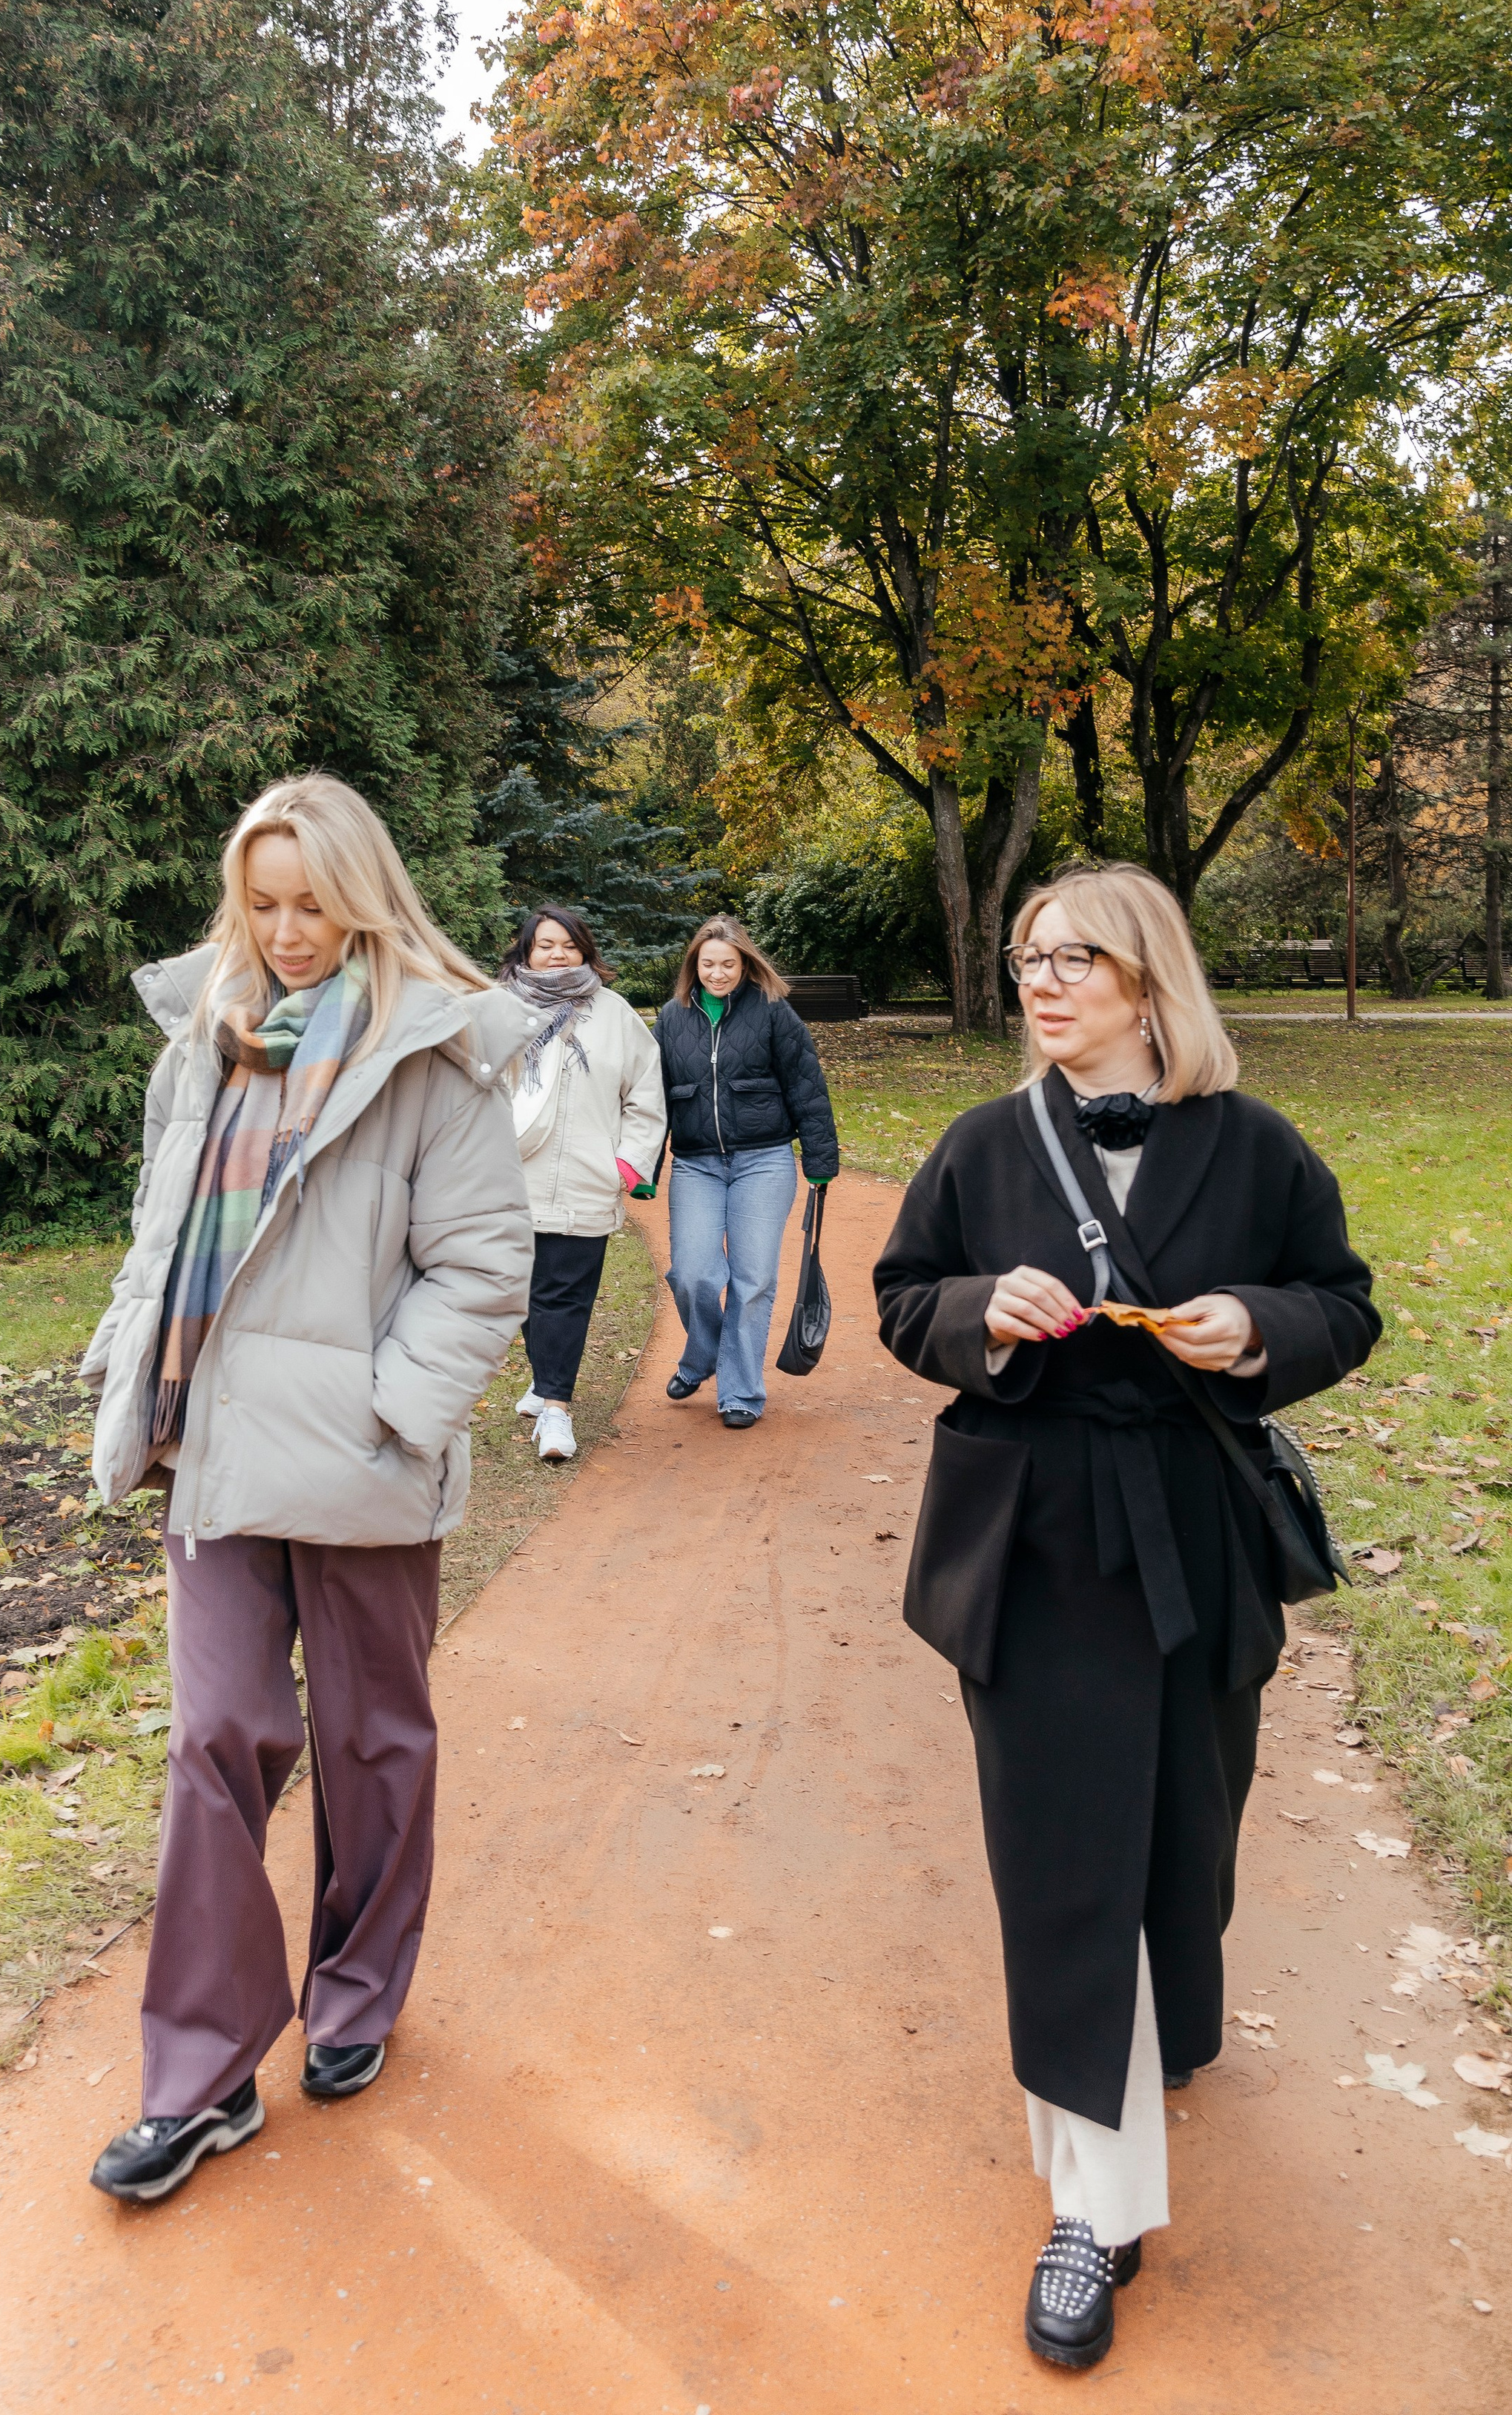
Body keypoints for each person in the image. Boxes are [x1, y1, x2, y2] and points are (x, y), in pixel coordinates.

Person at [872, 861, 1379, 2371]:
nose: (1042, 981)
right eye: (1027, 956)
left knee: (1186, 1841)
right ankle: (1093, 2206)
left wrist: (1254, 1333)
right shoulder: (979, 1144)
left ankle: (1176, 2016)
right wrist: (978, 1317)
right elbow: (905, 1296)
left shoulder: (1255, 1148)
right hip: (1030, 1545)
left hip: (1198, 1542)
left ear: (1147, 980)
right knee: (1063, 1857)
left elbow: (1339, 1302)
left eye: (1075, 958)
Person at [78, 774, 535, 2204]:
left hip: (359, 1457)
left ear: (364, 897)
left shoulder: (434, 1059)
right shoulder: (201, 1043)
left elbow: (480, 1265)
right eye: (263, 902)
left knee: (371, 1737)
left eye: (311, 904)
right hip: (206, 1442)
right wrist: (130, 1372)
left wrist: (391, 1412)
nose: (285, 931)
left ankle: (356, 1994)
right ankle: (202, 2075)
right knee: (218, 1732)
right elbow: (163, 1236)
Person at [655, 915, 839, 1426]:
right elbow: (652, 1101)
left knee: (752, 1279)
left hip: (765, 1161)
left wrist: (821, 1160)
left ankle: (740, 1393)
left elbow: (806, 1084)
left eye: (728, 964)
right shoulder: (672, 1019)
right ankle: (703, 1356)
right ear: (695, 965)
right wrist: (646, 1166)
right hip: (696, 1164)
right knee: (691, 1274)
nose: (718, 974)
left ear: (745, 964)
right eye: (708, 964)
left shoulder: (774, 1013)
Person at [501, 905, 666, 1463]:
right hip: (510, 1180)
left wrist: (626, 1163)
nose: (557, 954)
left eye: (568, 945)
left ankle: (555, 1411)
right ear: (526, 952)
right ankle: (545, 1376)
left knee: (566, 1297)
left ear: (585, 950)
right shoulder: (499, 1012)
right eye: (545, 945)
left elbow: (646, 1094)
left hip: (585, 1180)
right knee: (522, 1292)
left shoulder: (614, 1014)